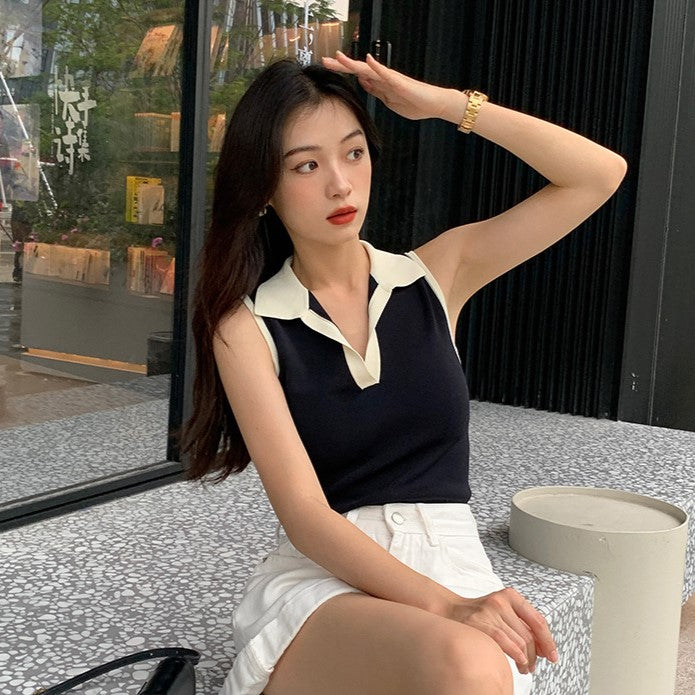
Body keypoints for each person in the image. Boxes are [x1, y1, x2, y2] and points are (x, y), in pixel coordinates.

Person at [180, 52, 626, 695]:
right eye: (306, 165)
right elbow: (305, 515)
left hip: (452, 561)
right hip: (329, 579)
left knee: (472, 661)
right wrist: (449, 608)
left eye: (353, 153)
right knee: (468, 662)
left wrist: (447, 105)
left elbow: (598, 175)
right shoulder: (248, 325)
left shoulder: (435, 276)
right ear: (264, 189)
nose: (340, 184)